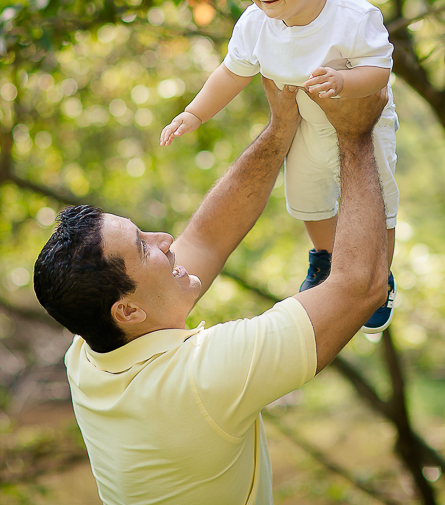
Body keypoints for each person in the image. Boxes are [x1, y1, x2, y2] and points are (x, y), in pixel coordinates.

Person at [34, 80, 390, 505]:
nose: (166, 239)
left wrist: (280, 130)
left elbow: (206, 239)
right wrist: (355, 136)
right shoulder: (202, 379)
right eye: (144, 247)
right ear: (127, 311)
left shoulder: (88, 353)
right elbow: (361, 286)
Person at [159, 0, 399, 332]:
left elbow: (380, 72)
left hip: (363, 120)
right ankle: (325, 258)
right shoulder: (256, 24)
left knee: (377, 195)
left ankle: (379, 273)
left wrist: (345, 82)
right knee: (306, 195)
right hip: (305, 121)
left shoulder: (353, 19)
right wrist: (195, 113)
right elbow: (231, 73)